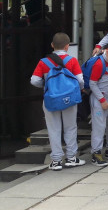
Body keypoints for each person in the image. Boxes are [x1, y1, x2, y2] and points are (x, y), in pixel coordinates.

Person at [30, 33, 86, 170]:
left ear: (52, 45)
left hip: (51, 99)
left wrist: (46, 86)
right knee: (70, 127)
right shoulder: (72, 61)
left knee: (53, 129)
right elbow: (80, 80)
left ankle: (56, 161)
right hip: (69, 99)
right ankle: (71, 158)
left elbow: (34, 81)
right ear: (67, 46)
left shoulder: (43, 62)